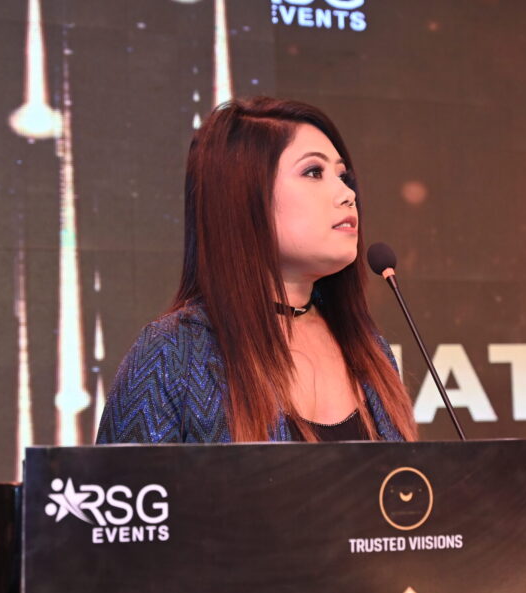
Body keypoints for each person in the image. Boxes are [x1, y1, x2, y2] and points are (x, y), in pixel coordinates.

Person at [96, 97, 416, 443]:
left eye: (342, 176)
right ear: (244, 197)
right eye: (313, 172)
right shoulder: (173, 354)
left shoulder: (371, 350)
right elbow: (123, 479)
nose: (347, 194)